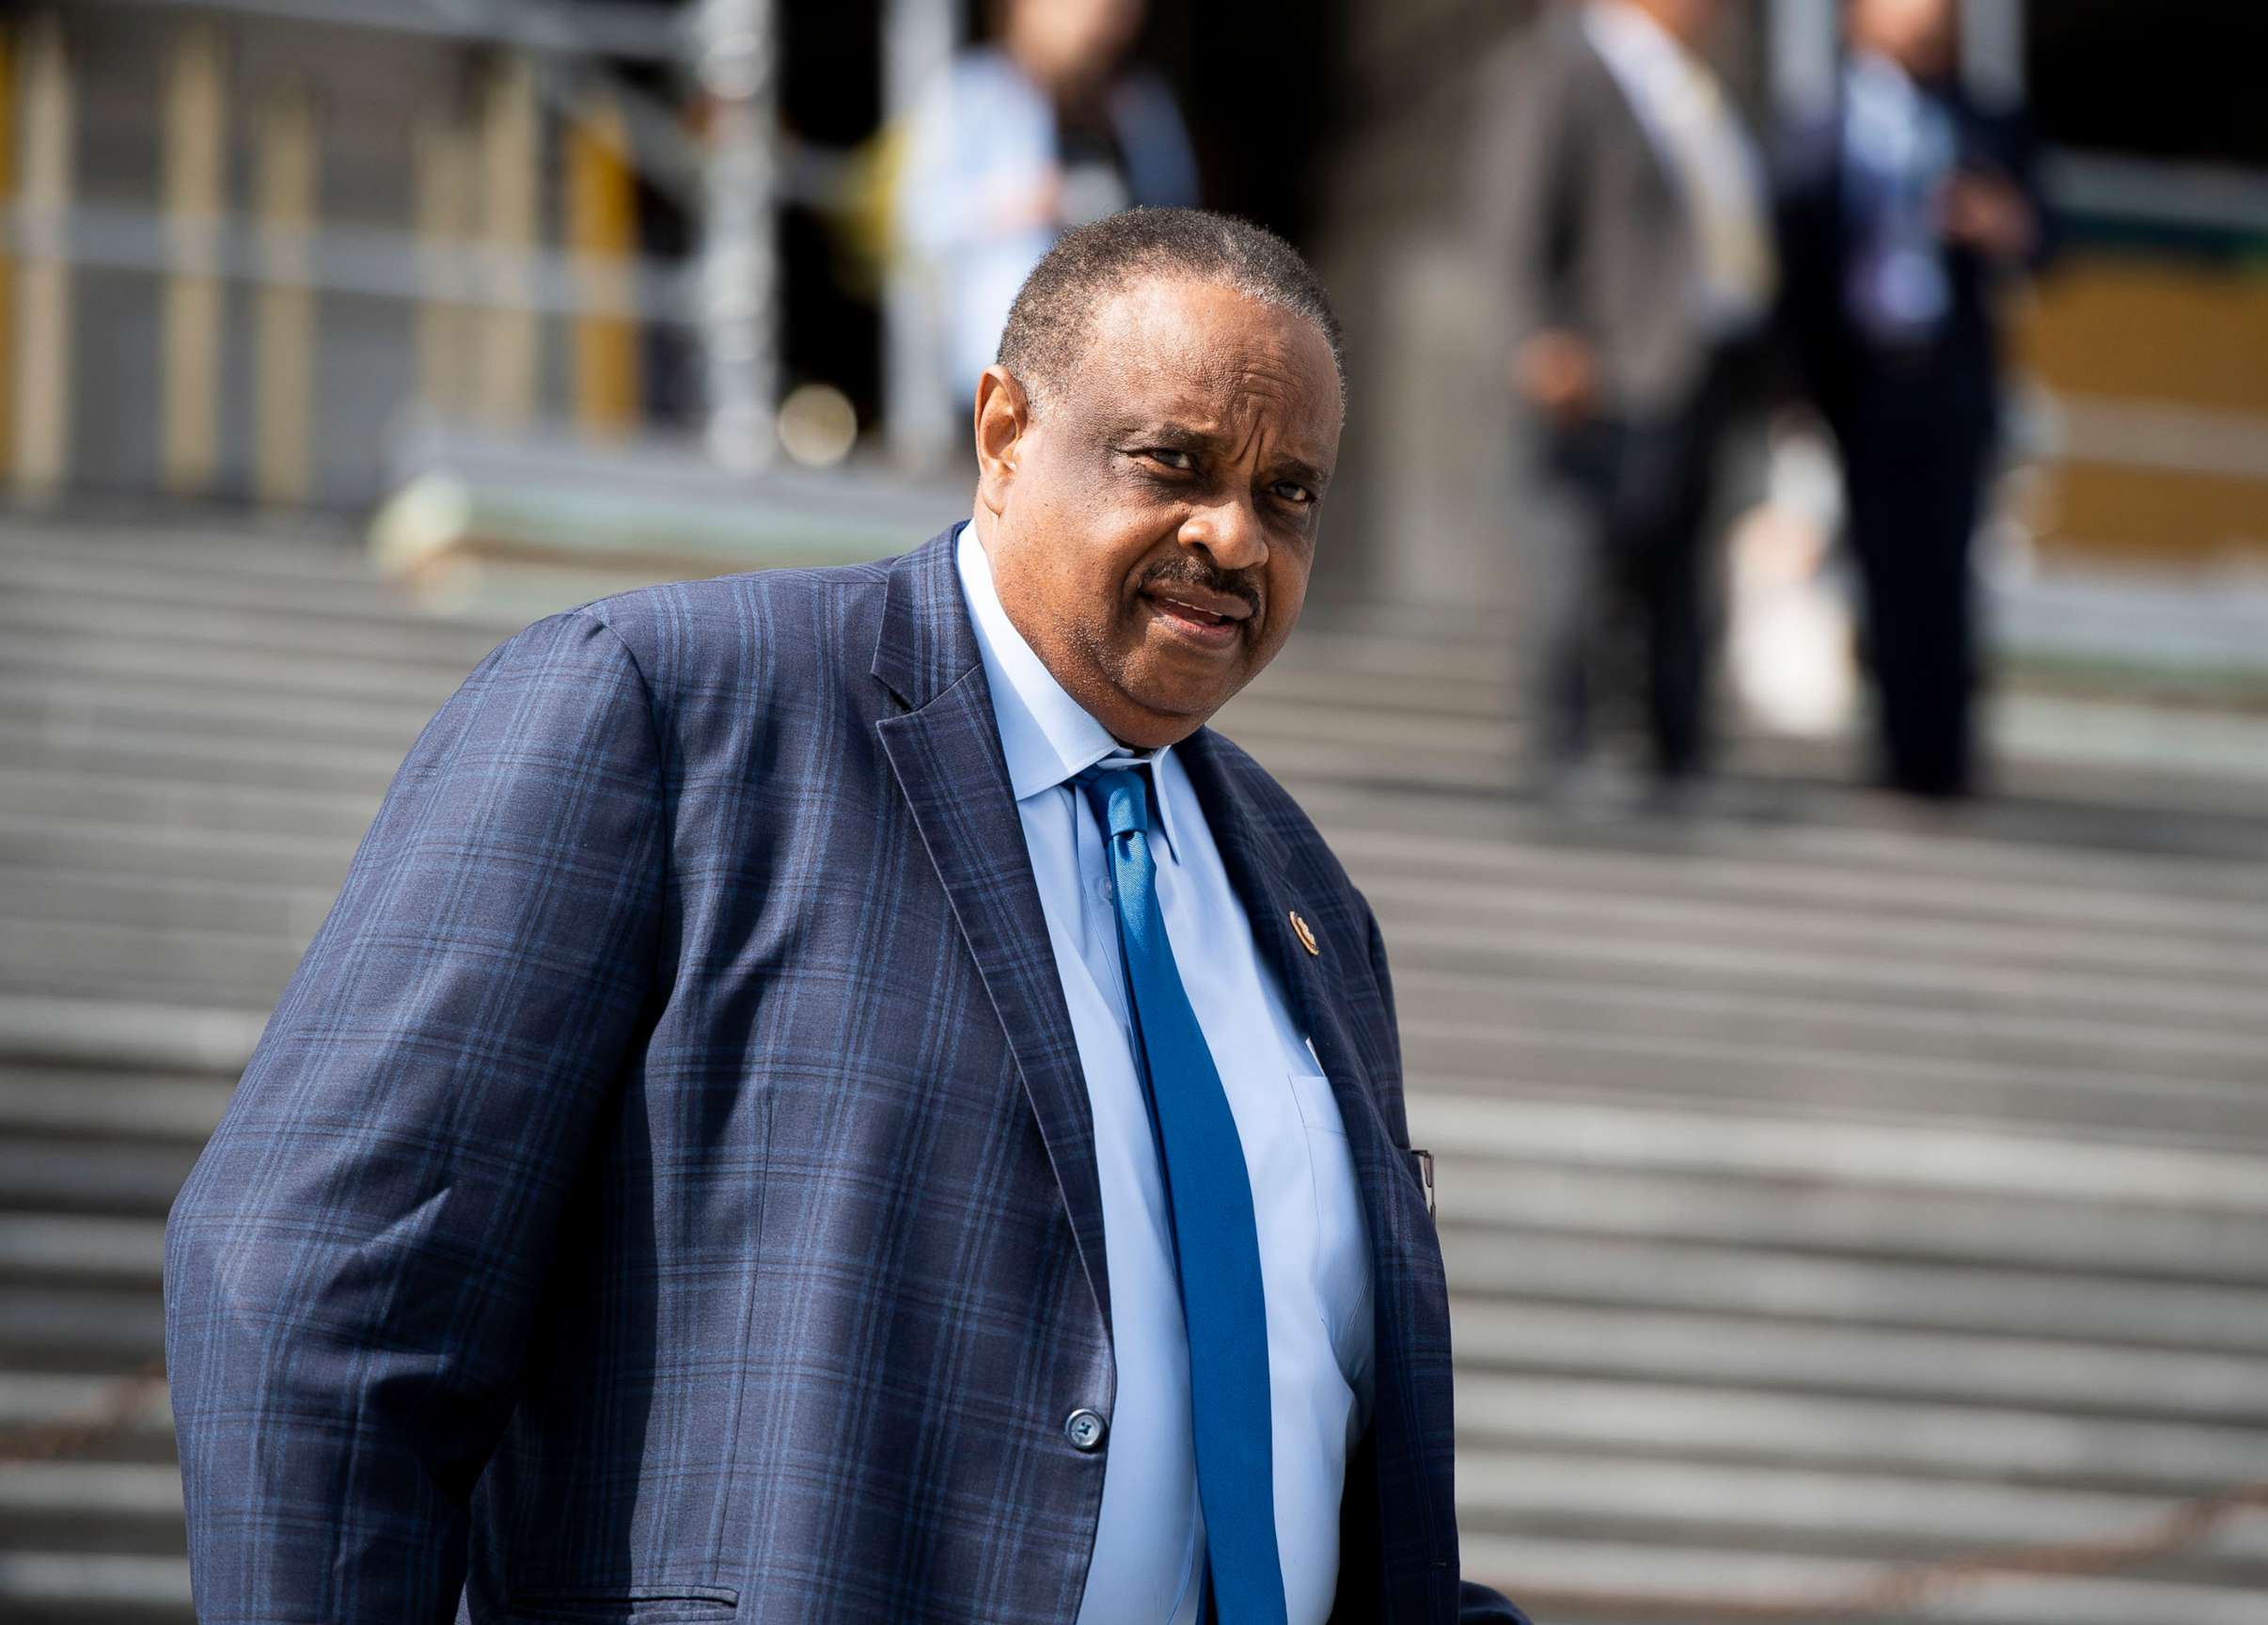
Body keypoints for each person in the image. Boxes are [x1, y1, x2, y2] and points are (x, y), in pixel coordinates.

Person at [164, 209, 1528, 1625]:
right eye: (1171, 464)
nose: (1233, 536)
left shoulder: (1305, 895)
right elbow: (313, 1301)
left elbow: (1322, 1464)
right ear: (1003, 433)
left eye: (1290, 494)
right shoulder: (665, 716)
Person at [1475, 0, 1774, 802]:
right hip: (1602, 368)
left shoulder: (1700, 86)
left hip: (1703, 369)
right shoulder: (1561, 62)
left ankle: (1681, 753)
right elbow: (1514, 212)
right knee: (1579, 562)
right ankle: (1567, 747)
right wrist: (1537, 336)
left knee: (1683, 572)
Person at [1773, 0, 2045, 800]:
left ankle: (1946, 754)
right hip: (1859, 377)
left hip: (1951, 374)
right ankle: (1893, 746)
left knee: (1951, 566)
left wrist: (2004, 224)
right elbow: (1794, 256)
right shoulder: (1818, 121)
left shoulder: (1983, 121)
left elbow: (2049, 237)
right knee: (1881, 561)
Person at [898, 0, 1198, 429]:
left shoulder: (1138, 104)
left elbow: (1179, 218)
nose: (1098, 20)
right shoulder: (974, 90)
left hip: (1116, 369)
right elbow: (918, 216)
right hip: (1000, 367)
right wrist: (1016, 203)